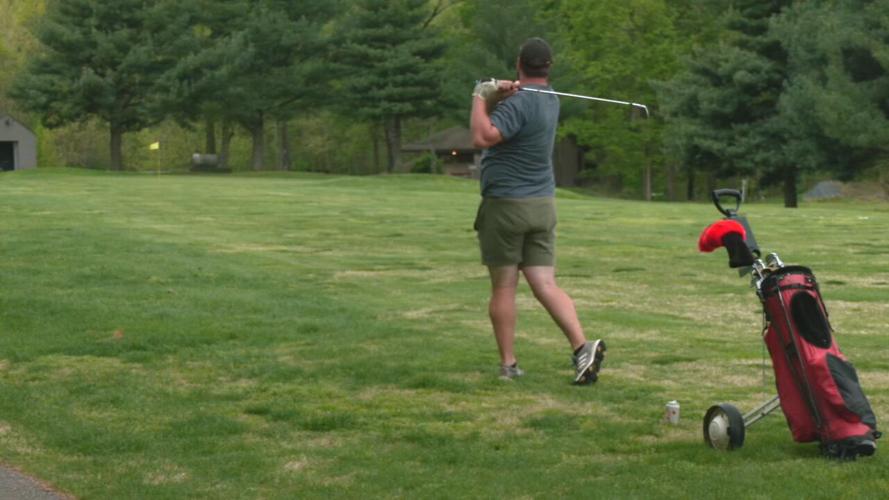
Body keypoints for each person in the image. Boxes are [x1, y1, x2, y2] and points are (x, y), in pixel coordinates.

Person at [470, 37, 605, 384]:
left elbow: (483, 137)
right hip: (543, 204)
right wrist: (501, 97)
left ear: (519, 63)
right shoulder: (550, 100)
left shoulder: (518, 104)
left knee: (504, 287)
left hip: (507, 205)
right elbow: (516, 117)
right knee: (545, 283)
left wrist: (480, 95)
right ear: (550, 67)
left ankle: (509, 365)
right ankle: (581, 347)